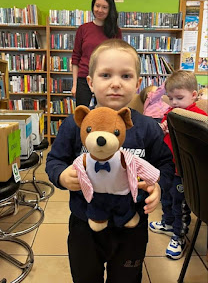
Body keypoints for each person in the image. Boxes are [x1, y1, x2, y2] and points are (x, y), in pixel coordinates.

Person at [46, 39, 175, 283]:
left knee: (127, 278)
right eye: (106, 75)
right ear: (91, 83)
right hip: (85, 222)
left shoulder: (148, 128)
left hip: (132, 225)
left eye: (125, 76)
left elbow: (165, 165)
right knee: (85, 277)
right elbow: (55, 161)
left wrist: (158, 186)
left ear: (137, 84)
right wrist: (62, 176)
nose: (115, 83)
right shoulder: (75, 125)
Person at [149, 70, 208, 260]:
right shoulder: (171, 113)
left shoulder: (197, 116)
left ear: (193, 95)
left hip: (184, 172)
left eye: (179, 98)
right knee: (166, 198)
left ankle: (179, 235)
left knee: (180, 204)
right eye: (171, 98)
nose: (174, 103)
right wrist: (163, 127)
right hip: (168, 167)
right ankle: (167, 223)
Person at [71, 0, 122, 106]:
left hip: (106, 79)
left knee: (105, 114)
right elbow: (75, 58)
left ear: (110, 10)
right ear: (93, 6)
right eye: (97, 6)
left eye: (104, 7)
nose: (99, 10)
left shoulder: (115, 31)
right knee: (82, 115)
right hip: (84, 79)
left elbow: (119, 58)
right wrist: (75, 85)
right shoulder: (83, 29)